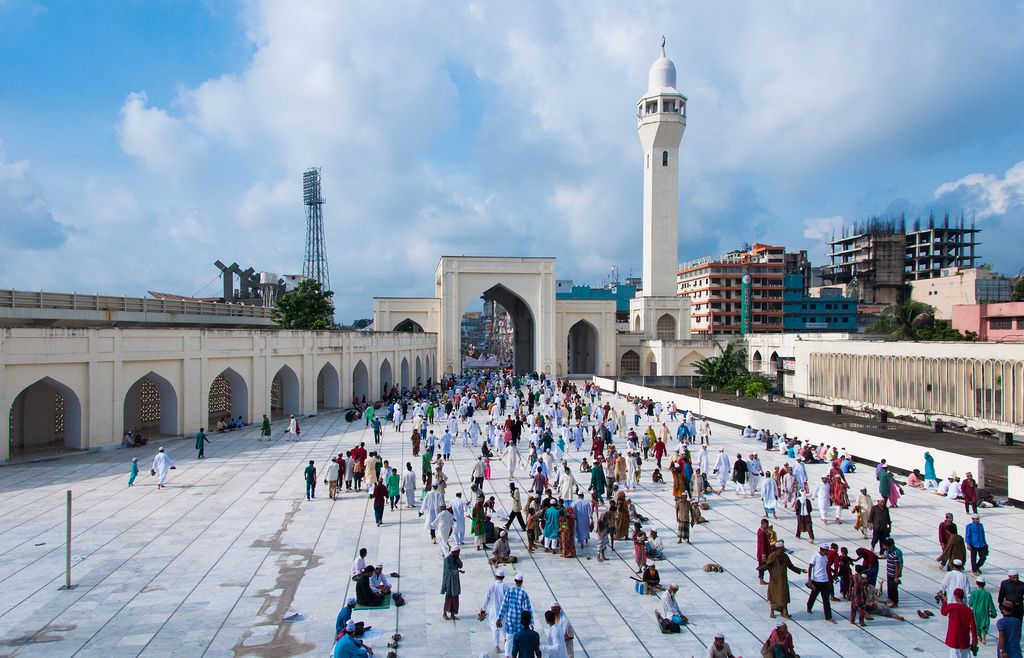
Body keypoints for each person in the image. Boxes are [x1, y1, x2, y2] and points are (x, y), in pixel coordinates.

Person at [762, 541, 805, 618]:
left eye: (782, 549)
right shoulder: (772, 556)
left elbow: (791, 566)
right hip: (775, 580)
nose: (782, 550)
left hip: (783, 580)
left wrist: (800, 570)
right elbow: (767, 565)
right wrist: (762, 569)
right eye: (781, 549)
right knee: (774, 596)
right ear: (777, 549)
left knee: (784, 596)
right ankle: (772, 612)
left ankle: (784, 612)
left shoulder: (785, 556)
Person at [497, 574, 533, 656]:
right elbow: (528, 610)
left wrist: (499, 618)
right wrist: (531, 623)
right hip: (520, 623)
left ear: (515, 581)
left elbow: (504, 606)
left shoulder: (509, 592)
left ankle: (507, 655)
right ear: (521, 582)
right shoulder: (524, 594)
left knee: (509, 640)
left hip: (510, 621)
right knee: (520, 641)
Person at [941, 587, 979, 658]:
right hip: (964, 640)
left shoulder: (952, 607)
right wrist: (974, 641)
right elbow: (973, 627)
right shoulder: (968, 611)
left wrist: (944, 601)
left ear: (955, 596)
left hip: (953, 639)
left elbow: (943, 612)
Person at [481, 568, 510, 654]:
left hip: (494, 611)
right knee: (505, 626)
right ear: (503, 577)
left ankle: (496, 646)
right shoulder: (506, 587)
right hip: (503, 611)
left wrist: (483, 609)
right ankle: (506, 642)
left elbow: (487, 599)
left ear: (496, 576)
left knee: (495, 628)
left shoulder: (492, 586)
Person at [807, 543, 837, 623]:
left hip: (825, 581)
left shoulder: (825, 557)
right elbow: (810, 567)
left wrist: (834, 572)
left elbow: (826, 567)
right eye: (827, 551)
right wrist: (809, 579)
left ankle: (828, 617)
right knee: (813, 596)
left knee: (826, 600)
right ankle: (809, 607)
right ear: (824, 550)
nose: (828, 553)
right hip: (817, 581)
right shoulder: (815, 556)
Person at [969, 576, 997, 645]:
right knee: (984, 624)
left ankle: (979, 636)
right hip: (984, 612)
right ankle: (984, 636)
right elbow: (991, 604)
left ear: (976, 583)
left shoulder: (974, 593)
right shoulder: (987, 594)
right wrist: (994, 612)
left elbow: (970, 603)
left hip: (976, 612)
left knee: (977, 624)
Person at [441, 547, 463, 620]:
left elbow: (461, 565)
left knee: (455, 598)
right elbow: (448, 571)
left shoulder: (456, 558)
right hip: (449, 582)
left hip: (455, 581)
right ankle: (445, 613)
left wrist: (457, 560)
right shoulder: (447, 559)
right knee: (449, 598)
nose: (458, 554)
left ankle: (452, 614)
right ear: (453, 552)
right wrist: (458, 571)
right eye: (457, 552)